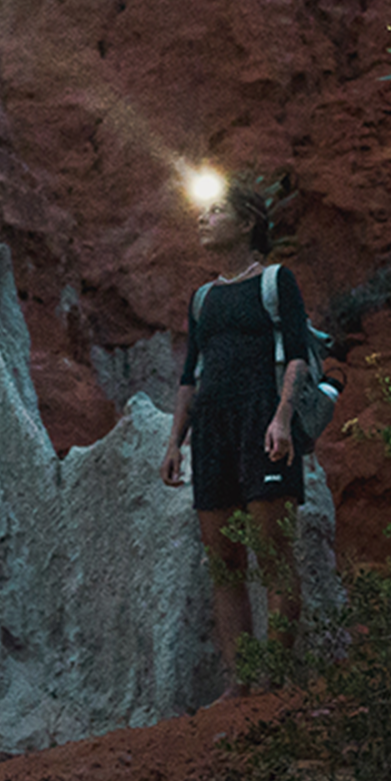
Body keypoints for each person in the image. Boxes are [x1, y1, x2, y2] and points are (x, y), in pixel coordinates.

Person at [159, 175, 316, 702]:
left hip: (262, 423)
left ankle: (274, 678)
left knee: (272, 554)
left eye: (215, 211)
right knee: (224, 562)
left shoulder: (276, 281)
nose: (203, 220)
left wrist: (281, 418)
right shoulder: (203, 298)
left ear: (248, 222)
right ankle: (239, 683)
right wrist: (175, 441)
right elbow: (190, 374)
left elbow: (296, 352)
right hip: (212, 432)